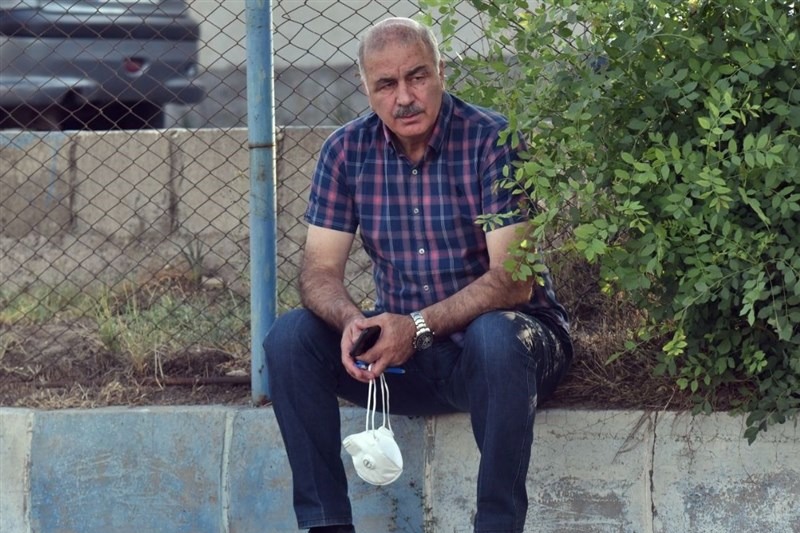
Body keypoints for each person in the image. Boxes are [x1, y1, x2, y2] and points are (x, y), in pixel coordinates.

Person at [264, 16, 573, 533]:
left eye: (417, 77)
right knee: (290, 337)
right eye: (386, 84)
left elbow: (513, 281)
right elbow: (318, 271)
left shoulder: (491, 140)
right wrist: (351, 323)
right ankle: (327, 525)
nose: (404, 98)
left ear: (441, 72)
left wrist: (417, 326)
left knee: (495, 336)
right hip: (411, 361)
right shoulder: (345, 151)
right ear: (366, 88)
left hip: (507, 355)